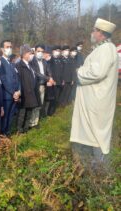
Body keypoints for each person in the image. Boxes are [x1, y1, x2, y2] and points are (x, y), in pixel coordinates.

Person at [70, 18, 118, 169]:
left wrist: (79, 72)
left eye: (94, 30)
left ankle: (101, 172)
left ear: (101, 34)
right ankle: (91, 168)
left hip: (97, 101)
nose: (92, 33)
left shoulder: (106, 49)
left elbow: (97, 72)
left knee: (97, 134)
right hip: (94, 99)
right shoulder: (102, 48)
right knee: (91, 132)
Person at [0, 40, 21, 136]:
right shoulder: (0, 62)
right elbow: (3, 80)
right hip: (7, 96)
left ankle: (7, 133)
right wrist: (13, 92)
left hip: (15, 95)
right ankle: (3, 136)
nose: (10, 49)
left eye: (11, 47)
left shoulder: (11, 63)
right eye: (7, 47)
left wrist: (19, 90)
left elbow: (17, 78)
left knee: (11, 116)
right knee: (5, 117)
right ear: (2, 49)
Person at [16, 44, 40, 134]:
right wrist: (20, 93)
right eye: (30, 53)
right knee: (22, 113)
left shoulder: (30, 65)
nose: (31, 55)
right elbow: (18, 80)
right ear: (25, 54)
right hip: (24, 93)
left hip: (31, 93)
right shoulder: (19, 66)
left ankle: (26, 129)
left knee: (29, 112)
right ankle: (19, 130)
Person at [29, 45, 52, 125]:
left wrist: (50, 77)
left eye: (42, 51)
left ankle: (36, 122)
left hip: (43, 85)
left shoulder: (44, 61)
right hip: (35, 86)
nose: (40, 53)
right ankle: (31, 122)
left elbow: (48, 70)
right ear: (35, 51)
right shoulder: (32, 61)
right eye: (38, 51)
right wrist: (47, 78)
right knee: (34, 105)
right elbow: (36, 73)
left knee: (40, 104)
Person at [49, 45, 63, 114]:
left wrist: (62, 80)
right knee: (52, 98)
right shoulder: (51, 60)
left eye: (59, 51)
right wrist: (52, 79)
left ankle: (53, 111)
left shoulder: (59, 60)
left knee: (56, 97)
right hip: (53, 82)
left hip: (59, 82)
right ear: (53, 51)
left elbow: (61, 71)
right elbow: (49, 71)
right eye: (56, 51)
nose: (58, 52)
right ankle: (50, 112)